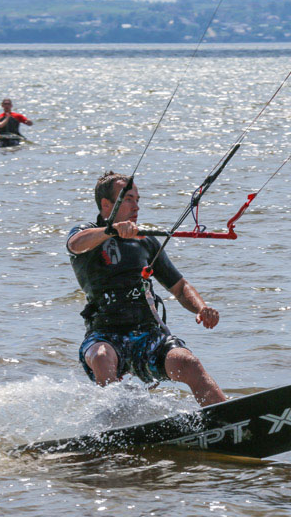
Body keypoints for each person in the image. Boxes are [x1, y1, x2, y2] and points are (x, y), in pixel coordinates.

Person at [66, 171, 226, 407]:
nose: (136, 205)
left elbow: (180, 288)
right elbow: (75, 245)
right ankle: (116, 425)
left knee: (187, 363)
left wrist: (201, 308)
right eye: (128, 198)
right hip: (105, 336)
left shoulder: (145, 240)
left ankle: (224, 417)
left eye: (138, 199)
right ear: (106, 204)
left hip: (148, 336)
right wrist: (112, 230)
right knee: (101, 357)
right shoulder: (86, 233)